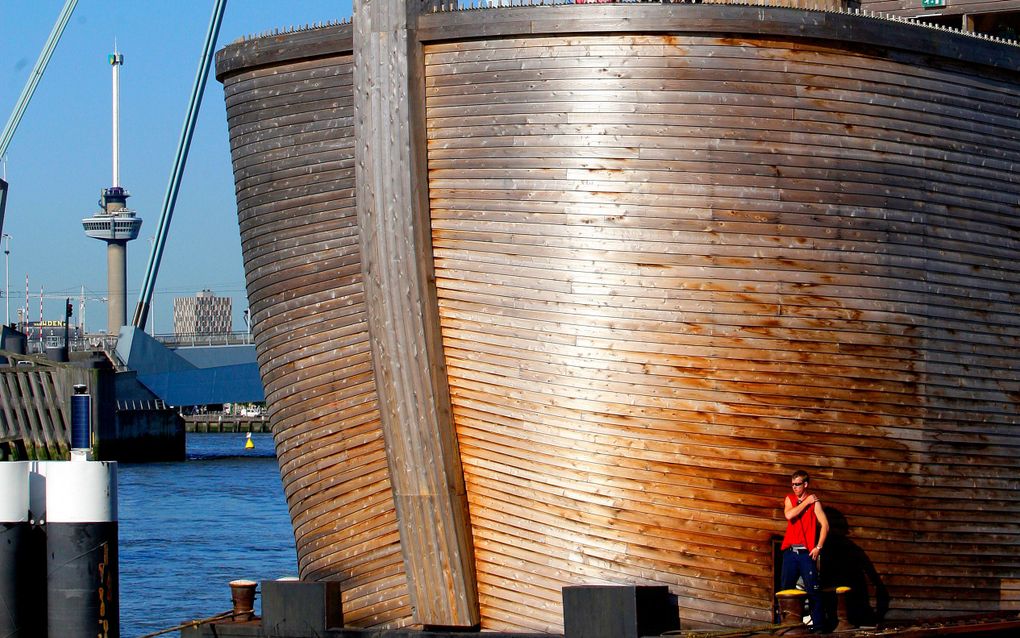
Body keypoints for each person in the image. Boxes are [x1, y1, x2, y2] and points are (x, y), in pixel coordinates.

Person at [781, 470, 830, 632]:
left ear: (805, 484)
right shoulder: (790, 499)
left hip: (806, 553)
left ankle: (819, 627)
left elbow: (825, 526)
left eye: (798, 484)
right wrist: (805, 502)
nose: (794, 487)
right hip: (790, 552)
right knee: (785, 589)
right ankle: (785, 625)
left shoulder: (815, 503)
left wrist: (819, 547)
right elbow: (789, 515)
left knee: (813, 590)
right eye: (793, 484)